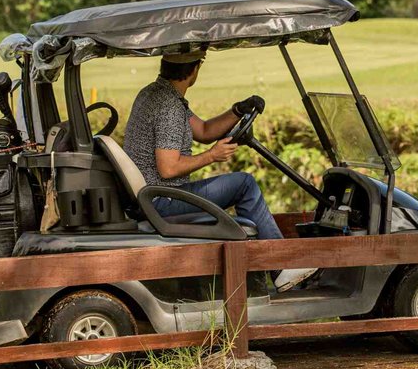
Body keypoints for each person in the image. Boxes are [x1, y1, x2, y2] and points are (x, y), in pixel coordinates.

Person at [123, 49, 317, 291]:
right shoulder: (169, 108)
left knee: (242, 186)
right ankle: (280, 265)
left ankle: (270, 265)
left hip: (152, 197)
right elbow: (168, 168)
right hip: (161, 200)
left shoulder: (158, 94)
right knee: (244, 184)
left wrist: (237, 111)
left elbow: (204, 130)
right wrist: (212, 156)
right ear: (194, 70)